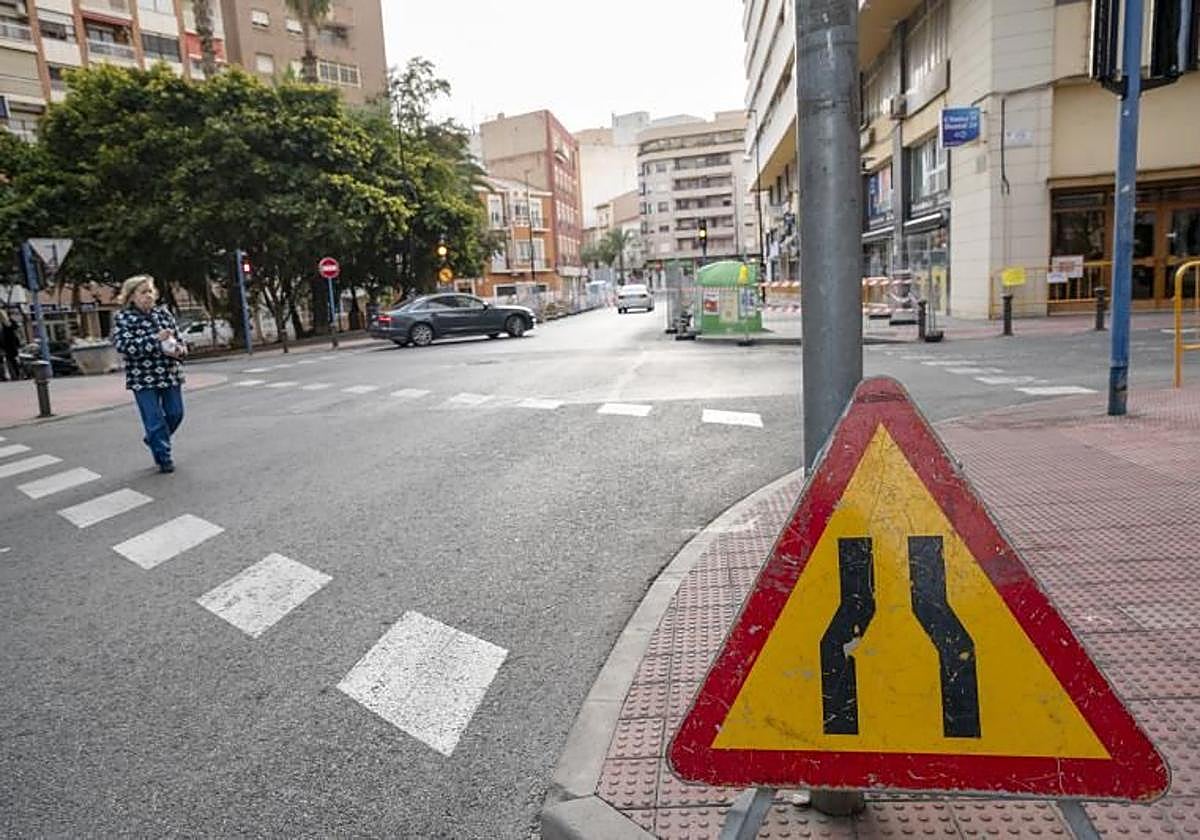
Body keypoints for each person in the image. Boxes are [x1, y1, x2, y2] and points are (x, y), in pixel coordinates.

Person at [109, 275, 187, 473]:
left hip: (169, 373)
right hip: (143, 377)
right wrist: (154, 339)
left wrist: (180, 349)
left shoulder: (164, 314)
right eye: (143, 292)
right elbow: (123, 345)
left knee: (176, 413)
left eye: (151, 291)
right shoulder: (124, 318)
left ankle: (154, 438)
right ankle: (163, 457)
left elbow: (178, 339)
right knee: (153, 419)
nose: (149, 296)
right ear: (131, 296)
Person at [0, 309, 21, 381]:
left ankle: (15, 375)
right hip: (6, 346)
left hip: (10, 346)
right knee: (6, 361)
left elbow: (16, 329)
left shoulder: (9, 324)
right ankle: (5, 376)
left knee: (12, 360)